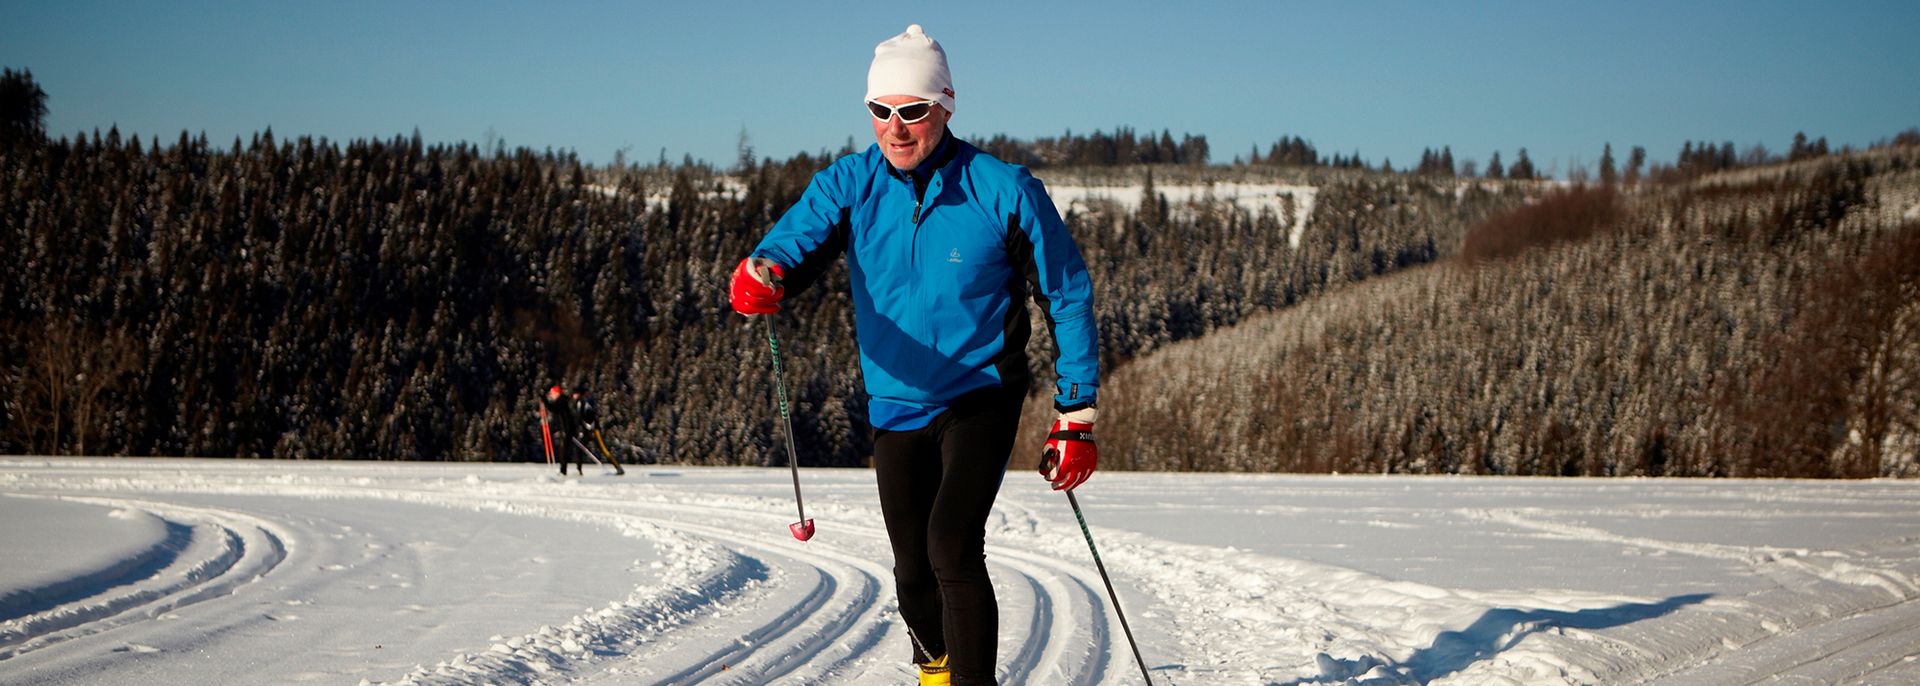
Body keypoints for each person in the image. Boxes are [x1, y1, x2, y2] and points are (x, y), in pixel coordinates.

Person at [728, 24, 1101, 686]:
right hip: (895, 402)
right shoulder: (850, 183)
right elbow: (793, 245)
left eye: (913, 110)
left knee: (951, 547)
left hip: (980, 394)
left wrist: (1076, 415)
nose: (895, 128)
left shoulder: (1004, 190)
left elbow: (1066, 297)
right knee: (911, 572)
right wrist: (762, 273)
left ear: (946, 107)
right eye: (881, 111)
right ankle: (934, 667)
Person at [572, 389, 625, 475]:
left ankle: (618, 467)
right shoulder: (579, 403)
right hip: (587, 430)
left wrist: (590, 428)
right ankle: (579, 469)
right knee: (580, 447)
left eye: (575, 394)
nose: (573, 396)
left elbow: (590, 416)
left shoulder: (584, 403)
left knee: (603, 449)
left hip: (594, 430)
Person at [541, 385, 586, 476]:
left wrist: (544, 400)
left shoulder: (561, 401)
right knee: (564, 450)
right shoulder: (562, 400)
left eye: (552, 394)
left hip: (567, 429)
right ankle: (565, 469)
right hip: (565, 429)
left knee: (565, 450)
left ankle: (564, 470)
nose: (551, 396)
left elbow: (553, 408)